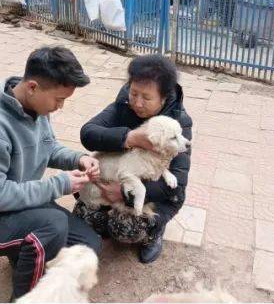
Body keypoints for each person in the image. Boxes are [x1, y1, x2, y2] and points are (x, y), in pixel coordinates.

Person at [0, 45, 103, 299]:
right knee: (53, 225)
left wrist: (78, 159)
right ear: (33, 87)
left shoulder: (37, 108)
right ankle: (25, 303)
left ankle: (25, 257)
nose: (61, 107)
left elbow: (48, 147)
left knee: (88, 247)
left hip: (22, 203)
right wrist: (59, 185)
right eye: (59, 100)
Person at [74, 54, 191, 264]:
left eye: (146, 98)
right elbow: (88, 133)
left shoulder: (177, 124)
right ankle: (109, 213)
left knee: (125, 229)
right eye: (134, 92)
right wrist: (130, 138)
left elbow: (176, 184)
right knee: (86, 216)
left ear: (164, 98)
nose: (137, 102)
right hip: (121, 174)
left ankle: (153, 233)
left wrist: (123, 194)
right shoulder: (123, 105)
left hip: (152, 192)